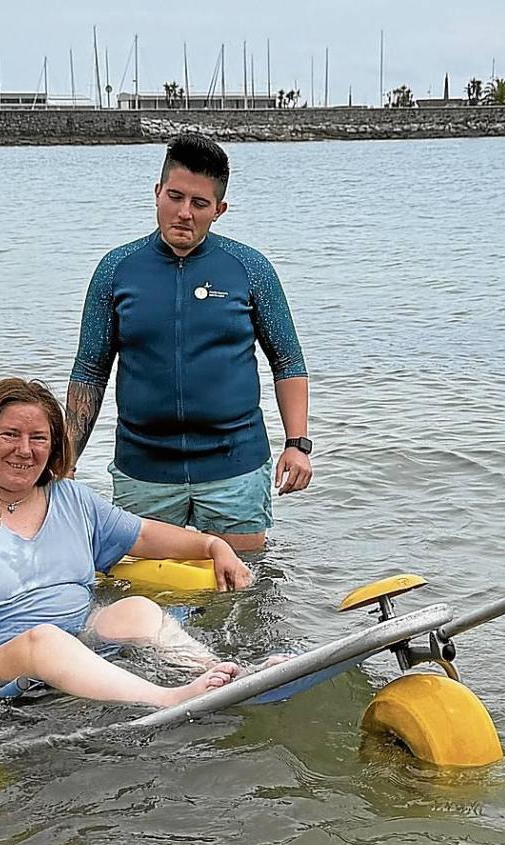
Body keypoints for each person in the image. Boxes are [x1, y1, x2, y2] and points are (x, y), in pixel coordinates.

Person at [0, 378, 260, 707]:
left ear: (53, 447)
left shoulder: (70, 498)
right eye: (10, 434)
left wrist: (213, 546)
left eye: (38, 438)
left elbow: (142, 534)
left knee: (137, 608)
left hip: (80, 640)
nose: (24, 449)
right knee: (45, 640)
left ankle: (223, 673)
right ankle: (168, 699)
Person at [65, 133, 312, 553]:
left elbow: (287, 362)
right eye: (175, 197)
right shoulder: (116, 270)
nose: (184, 213)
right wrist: (65, 458)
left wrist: (297, 444)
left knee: (245, 582)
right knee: (141, 585)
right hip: (144, 469)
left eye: (199, 203)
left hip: (235, 466)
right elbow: (90, 371)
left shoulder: (250, 268)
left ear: (219, 209)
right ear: (157, 192)